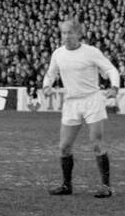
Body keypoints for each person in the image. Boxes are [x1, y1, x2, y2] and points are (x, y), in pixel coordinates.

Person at [43, 18, 120, 197]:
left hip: (92, 100)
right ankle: (66, 185)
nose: (66, 36)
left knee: (96, 143)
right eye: (63, 33)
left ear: (79, 34)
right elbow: (51, 73)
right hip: (71, 103)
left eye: (70, 32)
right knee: (64, 146)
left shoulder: (91, 52)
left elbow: (111, 70)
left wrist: (114, 87)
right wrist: (46, 85)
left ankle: (106, 186)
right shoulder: (58, 54)